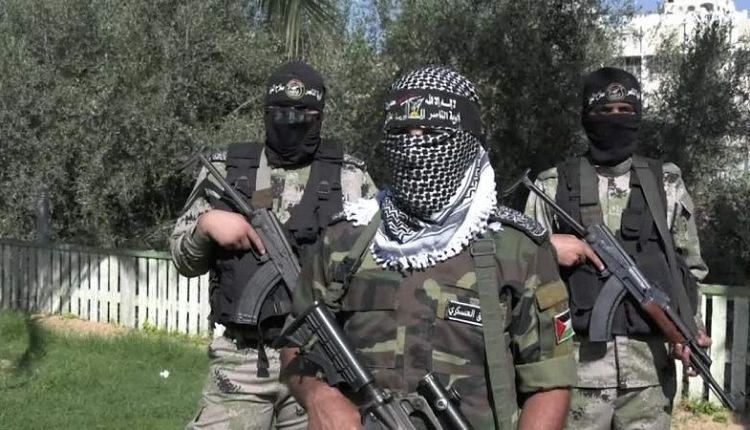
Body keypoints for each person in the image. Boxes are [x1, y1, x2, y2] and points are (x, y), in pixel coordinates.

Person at [282, 65, 576, 430]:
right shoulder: (345, 240)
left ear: (468, 140)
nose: (413, 147)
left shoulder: (517, 250)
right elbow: (297, 346)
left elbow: (550, 381)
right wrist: (318, 397)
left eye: (431, 133)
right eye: (402, 133)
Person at [170, 60, 377, 430]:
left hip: (320, 362)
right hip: (242, 362)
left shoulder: (350, 176)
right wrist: (206, 225)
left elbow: (379, 267)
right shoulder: (227, 169)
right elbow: (183, 261)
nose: (291, 122)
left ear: (320, 116)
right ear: (265, 113)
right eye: (281, 113)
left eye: (304, 115)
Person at [524, 67, 711, 430]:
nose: (615, 118)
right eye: (604, 110)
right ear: (586, 116)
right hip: (575, 373)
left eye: (625, 110)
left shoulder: (666, 184)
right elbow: (522, 268)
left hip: (648, 376)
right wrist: (550, 249)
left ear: (638, 115)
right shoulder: (552, 185)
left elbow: (689, 269)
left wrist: (689, 329)